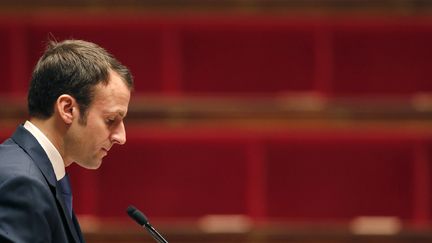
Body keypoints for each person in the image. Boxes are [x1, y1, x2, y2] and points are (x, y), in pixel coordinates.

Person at [0, 39, 134, 243]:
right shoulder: (23, 184)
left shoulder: (34, 171)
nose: (121, 137)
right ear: (67, 109)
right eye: (110, 120)